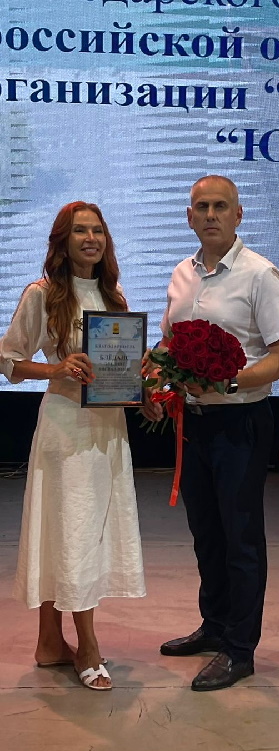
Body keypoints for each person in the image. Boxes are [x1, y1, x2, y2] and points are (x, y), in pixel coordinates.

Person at [143, 175, 279, 691]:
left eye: (221, 206)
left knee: (240, 538)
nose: (211, 215)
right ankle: (214, 625)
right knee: (206, 533)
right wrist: (156, 379)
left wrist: (229, 381)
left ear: (238, 215)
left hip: (240, 422)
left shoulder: (260, 275)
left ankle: (239, 649)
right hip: (192, 423)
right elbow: (168, 345)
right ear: (189, 217)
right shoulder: (181, 274)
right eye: (202, 207)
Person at [0, 202, 146, 690]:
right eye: (80, 231)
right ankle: (87, 646)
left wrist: (145, 391)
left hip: (107, 427)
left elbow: (122, 368)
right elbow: (8, 359)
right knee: (75, 531)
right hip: (66, 431)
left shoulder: (114, 296)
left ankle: (49, 642)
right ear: (62, 241)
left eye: (98, 230)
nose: (91, 239)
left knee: (67, 532)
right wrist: (55, 368)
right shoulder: (41, 294)